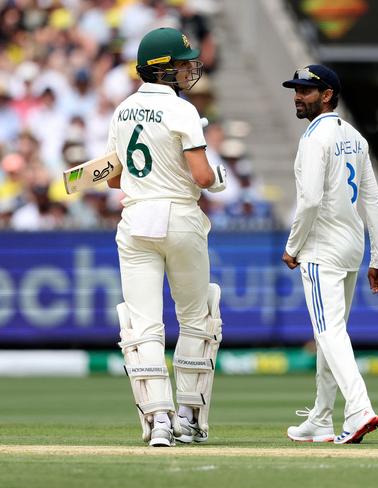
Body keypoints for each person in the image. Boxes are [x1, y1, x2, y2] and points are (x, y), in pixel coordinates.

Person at [105, 27, 227, 447]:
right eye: (180, 64)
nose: (187, 69)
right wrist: (218, 177)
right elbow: (203, 176)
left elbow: (113, 178)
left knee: (143, 326)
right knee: (197, 318)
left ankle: (159, 421)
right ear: (161, 69)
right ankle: (188, 417)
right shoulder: (181, 110)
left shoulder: (120, 111)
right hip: (178, 215)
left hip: (136, 219)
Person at [281, 65, 378, 444]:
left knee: (328, 332)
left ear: (327, 95)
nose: (297, 96)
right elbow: (373, 199)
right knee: (329, 331)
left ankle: (359, 408)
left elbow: (310, 200)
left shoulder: (315, 139)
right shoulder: (354, 137)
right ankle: (322, 417)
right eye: (296, 90)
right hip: (351, 246)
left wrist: (293, 246)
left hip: (321, 247)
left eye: (306, 91)